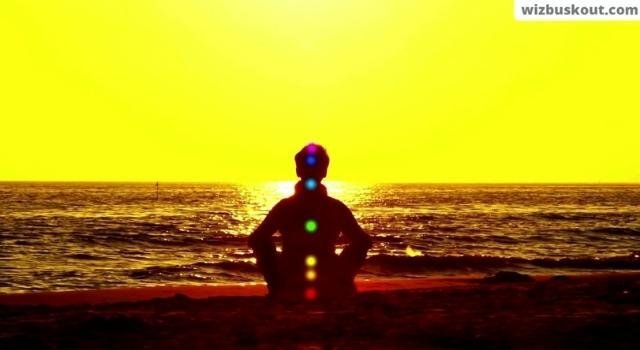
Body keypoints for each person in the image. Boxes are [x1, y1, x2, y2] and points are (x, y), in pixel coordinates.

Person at [248, 144, 372, 301]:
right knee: (361, 243)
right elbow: (363, 241)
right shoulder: (335, 207)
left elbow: (256, 239)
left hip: (290, 276)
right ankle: (340, 284)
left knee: (260, 242)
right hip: (327, 275)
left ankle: (278, 287)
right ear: (325, 171)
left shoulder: (285, 206)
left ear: (298, 170)